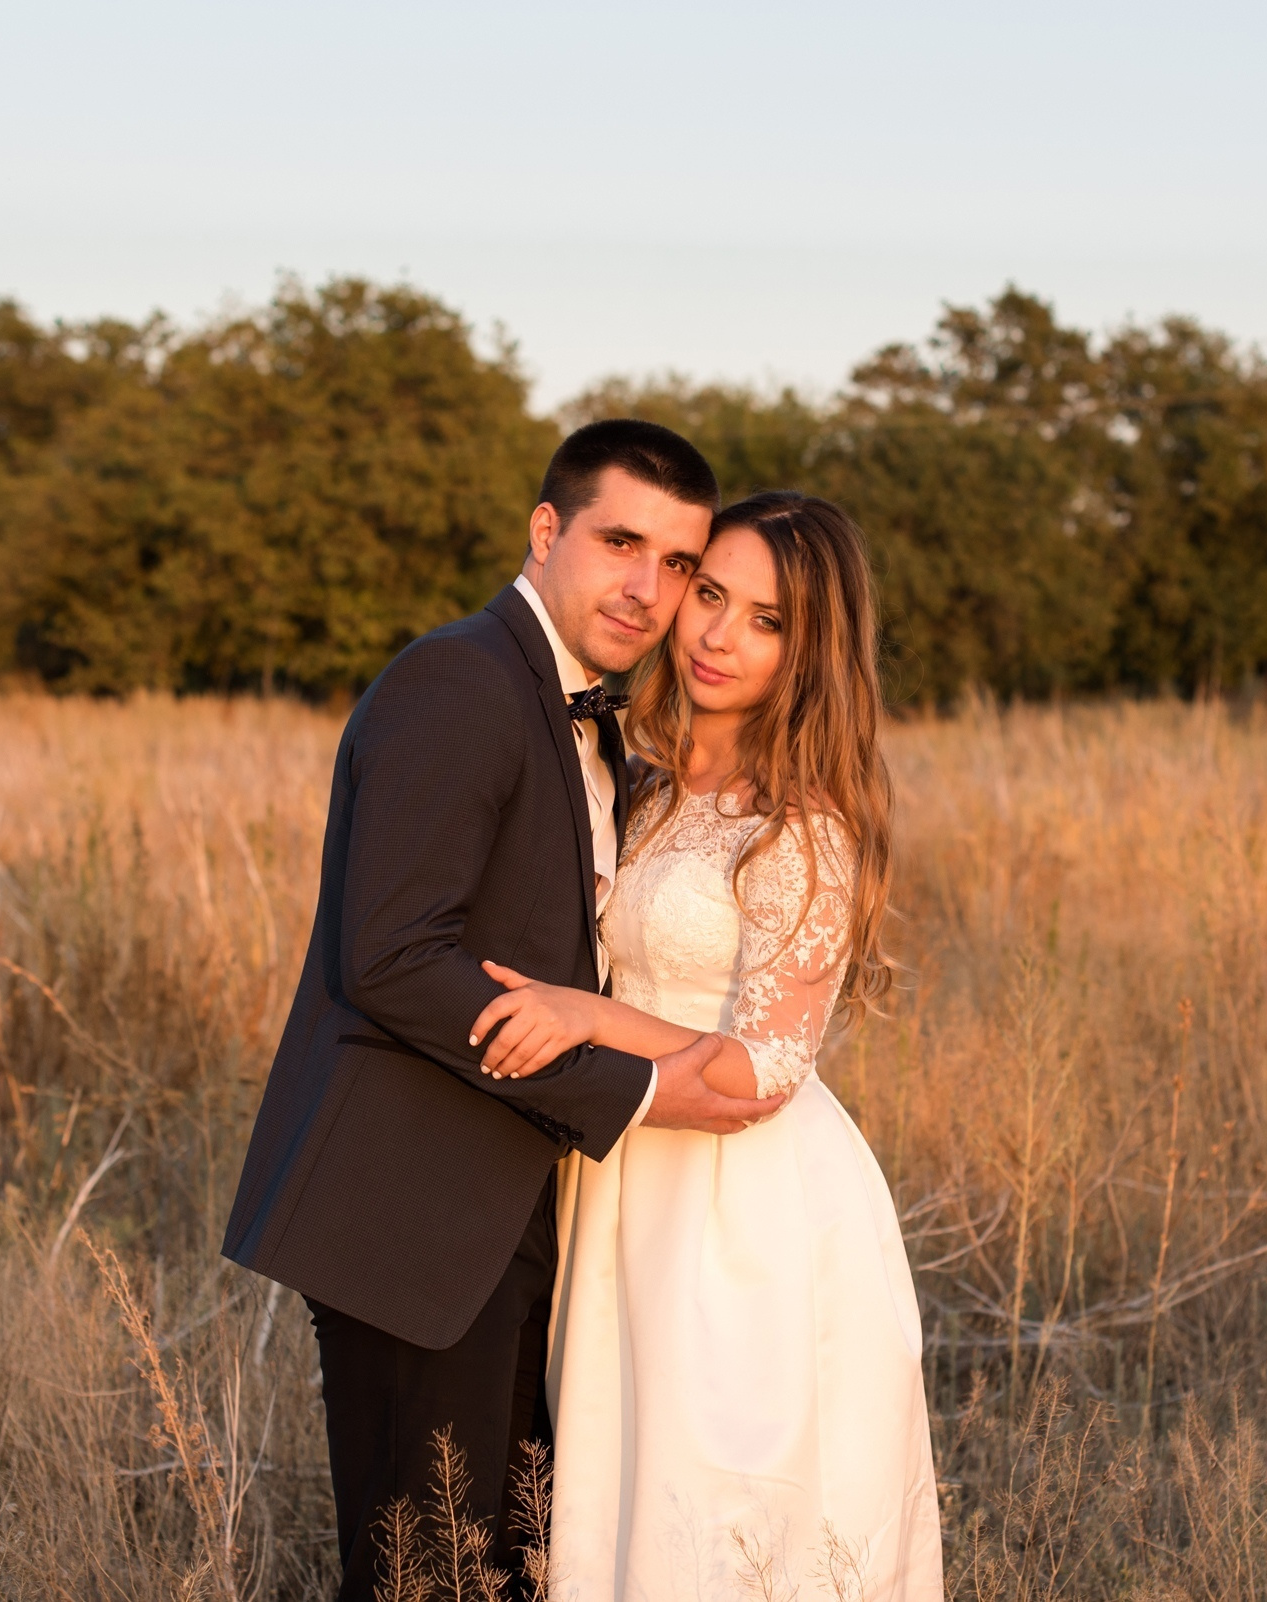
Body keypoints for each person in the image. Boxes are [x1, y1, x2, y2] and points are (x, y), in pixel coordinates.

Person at [219, 421, 788, 1601]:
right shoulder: (461, 680)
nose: (649, 587)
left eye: (678, 564)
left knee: (511, 1563)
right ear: (547, 530)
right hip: (414, 1217)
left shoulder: (588, 716)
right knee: (425, 1571)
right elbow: (390, 956)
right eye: (620, 540)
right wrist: (629, 1085)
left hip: (514, 1213)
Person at [470, 492, 942, 1599]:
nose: (720, 635)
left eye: (767, 620)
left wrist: (588, 1016)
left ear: (811, 649)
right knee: (616, 1487)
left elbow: (759, 1070)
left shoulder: (801, 822)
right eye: (712, 595)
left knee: (723, 1495)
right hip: (624, 1175)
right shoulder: (638, 779)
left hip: (745, 1207)